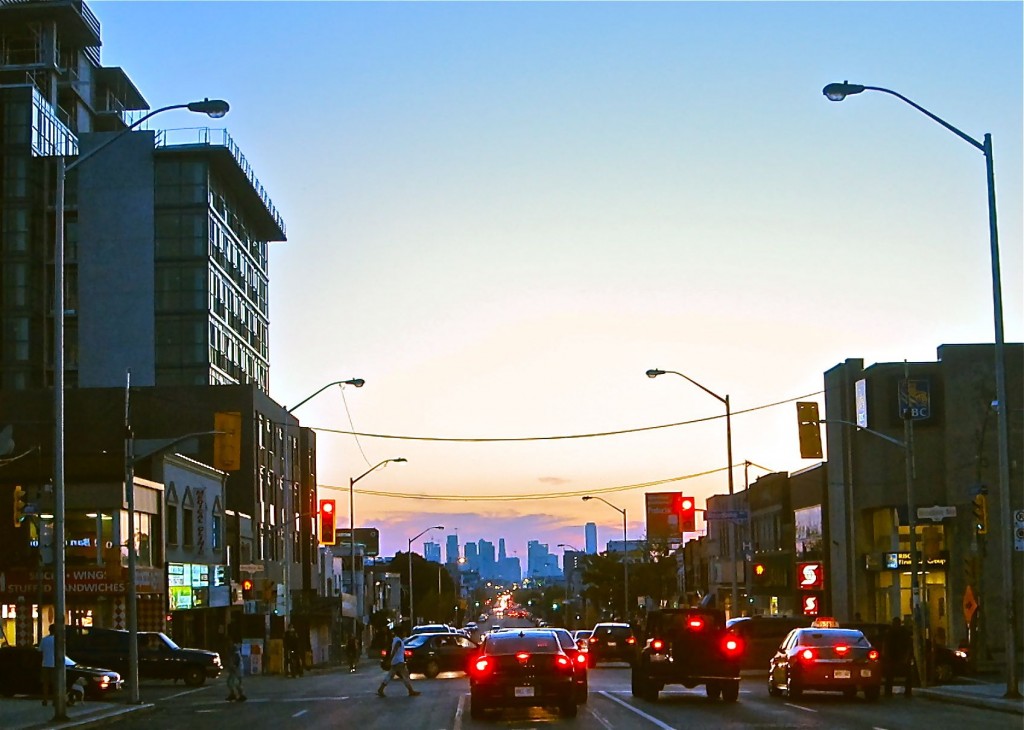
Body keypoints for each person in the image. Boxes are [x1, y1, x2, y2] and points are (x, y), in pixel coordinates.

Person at [377, 628, 420, 697]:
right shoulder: (398, 641)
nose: (405, 633)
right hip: (399, 661)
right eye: (403, 632)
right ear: (400, 633)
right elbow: (394, 650)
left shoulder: (395, 640)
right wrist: (390, 659)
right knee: (405, 676)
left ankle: (381, 689)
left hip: (396, 661)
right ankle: (411, 691)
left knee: (390, 675)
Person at [884, 617, 913, 697]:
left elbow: (908, 646)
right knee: (890, 675)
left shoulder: (903, 633)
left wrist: (906, 657)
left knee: (908, 675)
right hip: (893, 657)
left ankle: (907, 692)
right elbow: (886, 646)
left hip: (901, 656)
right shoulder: (890, 633)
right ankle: (888, 692)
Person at [222, 637, 246, 702]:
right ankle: (236, 694)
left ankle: (240, 695)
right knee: (231, 682)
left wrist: (234, 666)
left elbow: (236, 658)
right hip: (235, 668)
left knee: (234, 682)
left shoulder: (234, 649)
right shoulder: (232, 649)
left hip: (237, 668)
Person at [39, 624, 56, 706]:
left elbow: (40, 651)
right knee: (55, 684)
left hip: (45, 664)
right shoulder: (57, 640)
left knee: (45, 684)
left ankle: (45, 700)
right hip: (55, 664)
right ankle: (55, 700)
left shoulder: (44, 640)